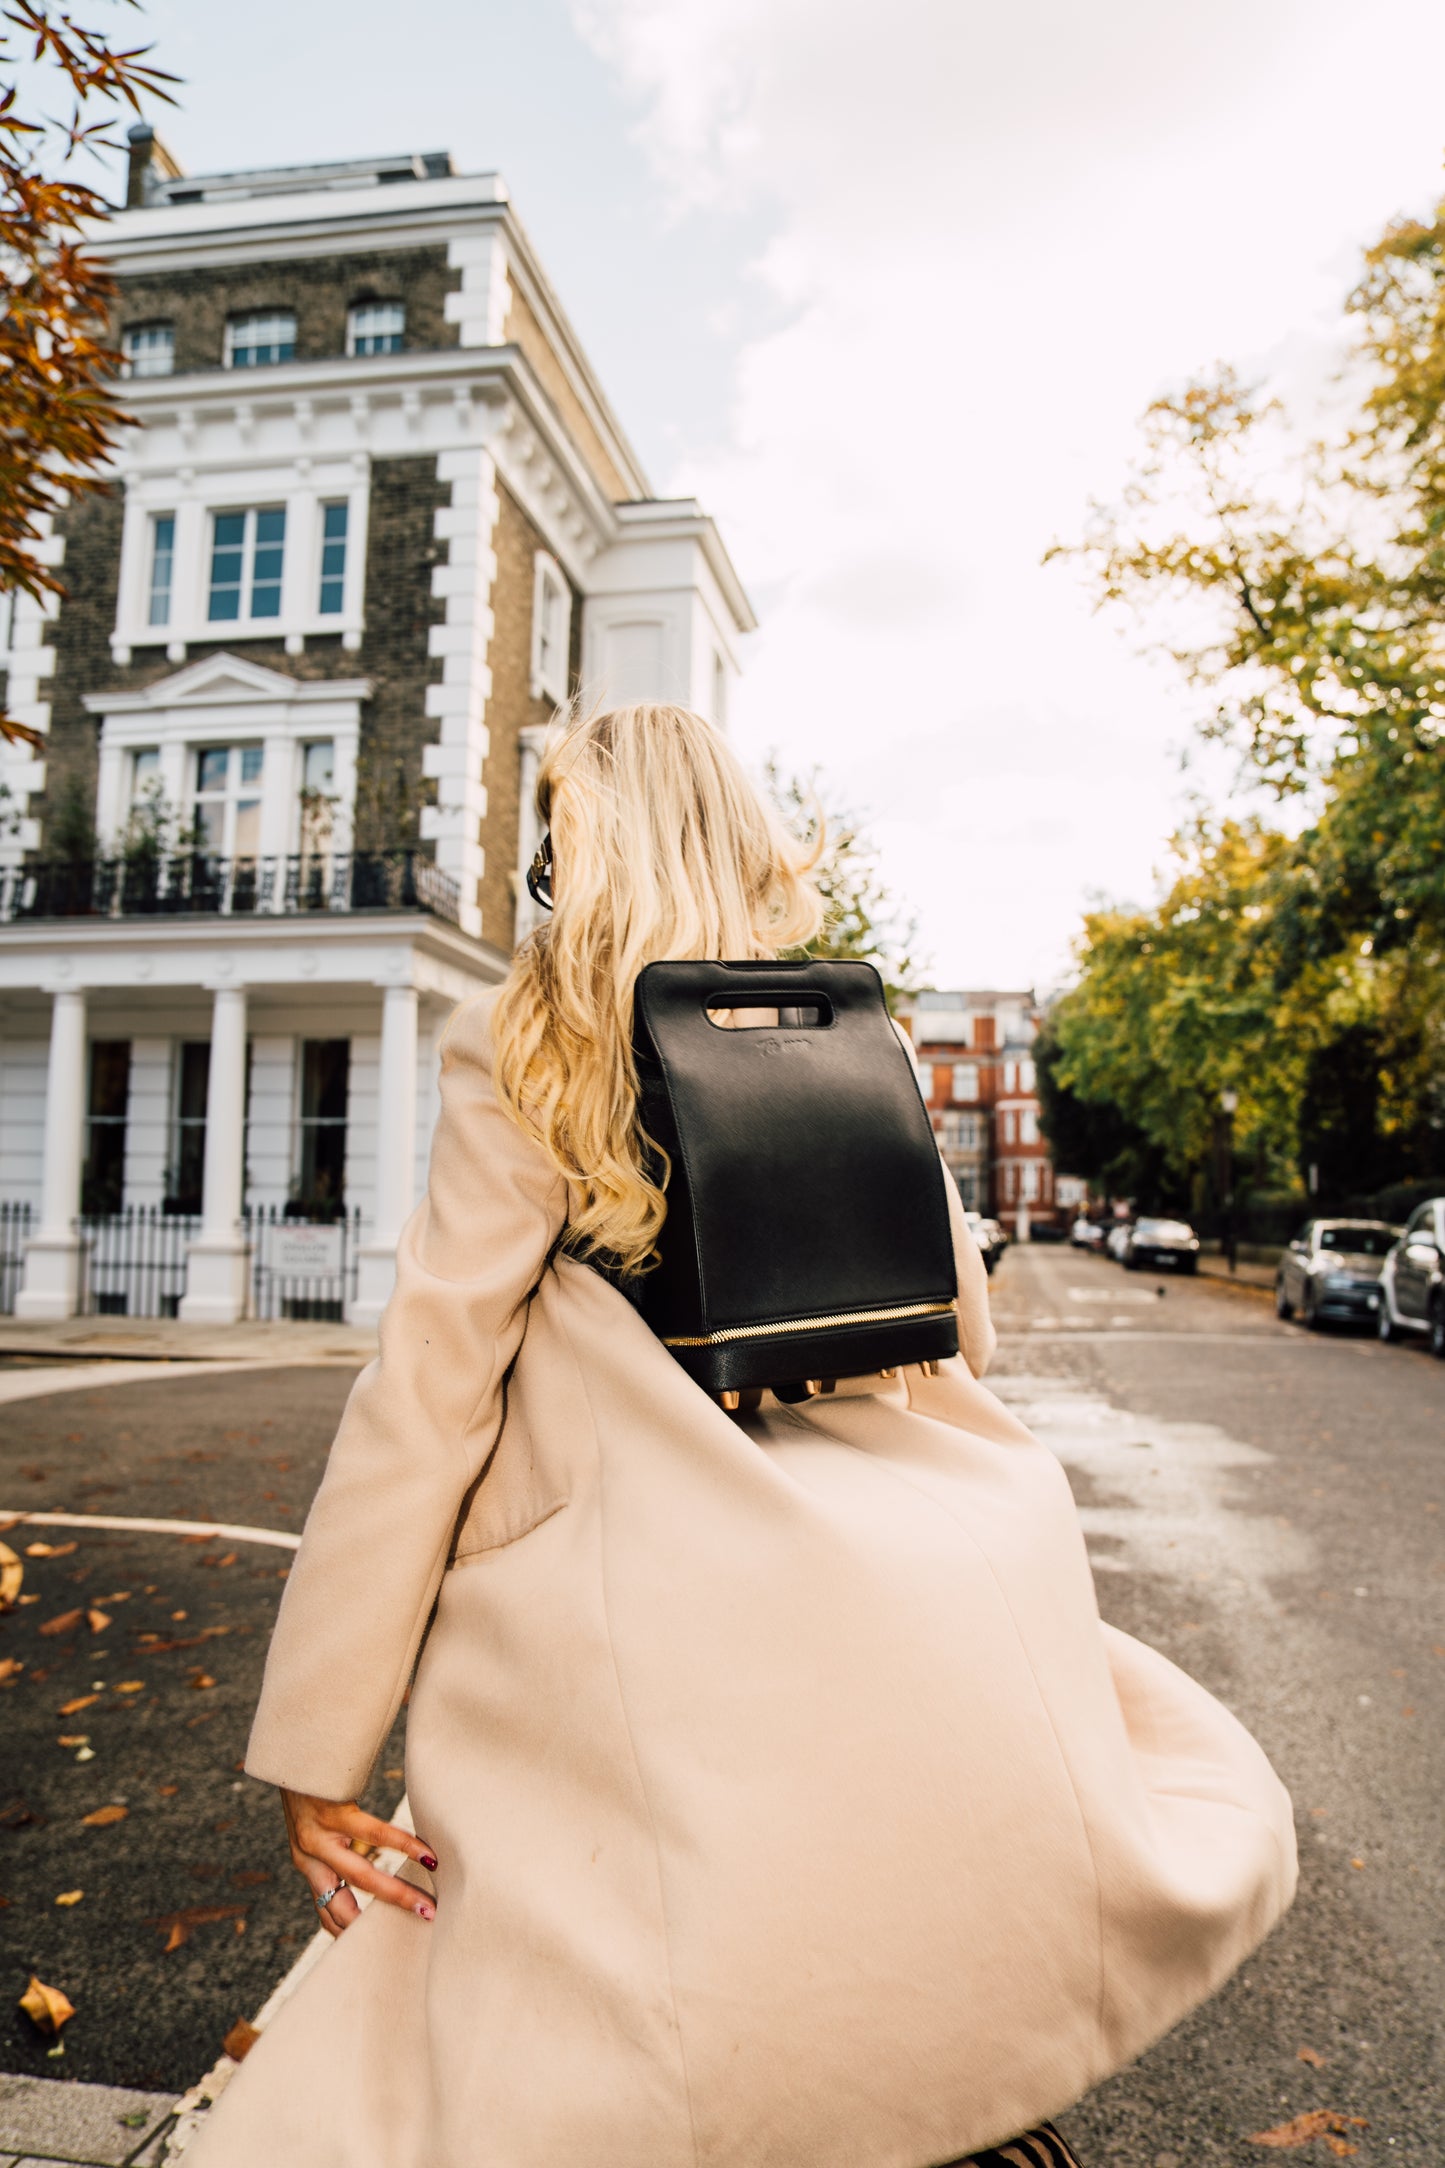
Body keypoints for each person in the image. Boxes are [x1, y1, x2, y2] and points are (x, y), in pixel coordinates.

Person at [189, 706, 1296, 2168]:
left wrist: (316, 1740)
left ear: (572, 854)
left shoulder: (528, 1039)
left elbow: (429, 1386)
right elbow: (961, 1324)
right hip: (902, 1559)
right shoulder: (851, 1029)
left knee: (591, 1963)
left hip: (641, 1594)